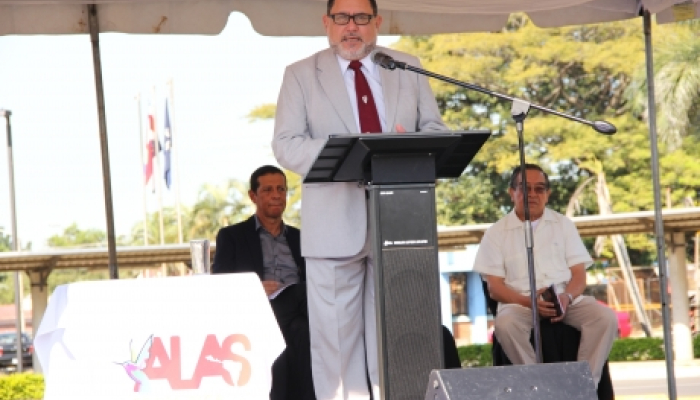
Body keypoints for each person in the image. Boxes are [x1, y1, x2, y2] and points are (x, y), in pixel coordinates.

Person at [271, 0, 447, 398]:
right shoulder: (300, 74)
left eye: (362, 18)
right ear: (327, 23)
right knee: (336, 349)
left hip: (401, 224)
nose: (351, 26)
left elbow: (434, 130)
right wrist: (351, 153)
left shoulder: (406, 65)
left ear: (377, 22)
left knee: (399, 342)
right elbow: (286, 144)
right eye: (342, 18)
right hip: (333, 225)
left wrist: (406, 146)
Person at [473, 163, 618, 387]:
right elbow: (494, 288)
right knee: (505, 324)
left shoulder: (563, 225)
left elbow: (579, 275)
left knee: (605, 317)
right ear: (512, 192)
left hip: (564, 299)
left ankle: (583, 385)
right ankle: (537, 385)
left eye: (539, 188)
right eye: (525, 188)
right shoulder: (495, 233)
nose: (532, 194)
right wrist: (530, 302)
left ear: (547, 194)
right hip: (520, 303)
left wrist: (567, 297)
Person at [212, 165, 314, 400]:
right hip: (259, 308)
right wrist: (254, 289)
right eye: (268, 190)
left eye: (281, 189)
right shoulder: (232, 236)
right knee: (305, 296)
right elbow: (221, 284)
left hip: (296, 312)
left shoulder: (301, 238)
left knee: (301, 328)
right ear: (253, 196)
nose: (276, 195)